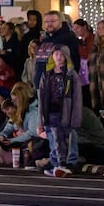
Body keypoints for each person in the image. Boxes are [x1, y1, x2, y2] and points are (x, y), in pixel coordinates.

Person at [38, 45, 82, 177]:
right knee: (53, 138)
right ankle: (57, 163)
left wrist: (76, 117)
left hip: (67, 112)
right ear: (52, 56)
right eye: (56, 54)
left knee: (69, 137)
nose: (59, 57)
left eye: (62, 55)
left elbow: (77, 97)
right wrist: (41, 121)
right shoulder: (47, 74)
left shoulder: (71, 75)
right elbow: (41, 98)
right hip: (51, 111)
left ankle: (70, 163)